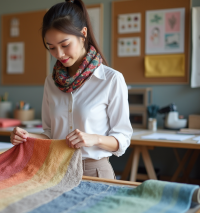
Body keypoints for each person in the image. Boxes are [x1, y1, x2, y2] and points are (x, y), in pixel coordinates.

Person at [10, 0, 132, 179]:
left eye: (65, 45)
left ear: (83, 33)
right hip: (54, 171)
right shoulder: (51, 82)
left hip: (94, 171)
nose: (59, 54)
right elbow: (50, 134)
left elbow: (122, 139)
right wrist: (27, 136)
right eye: (51, 48)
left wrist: (94, 138)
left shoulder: (111, 79)